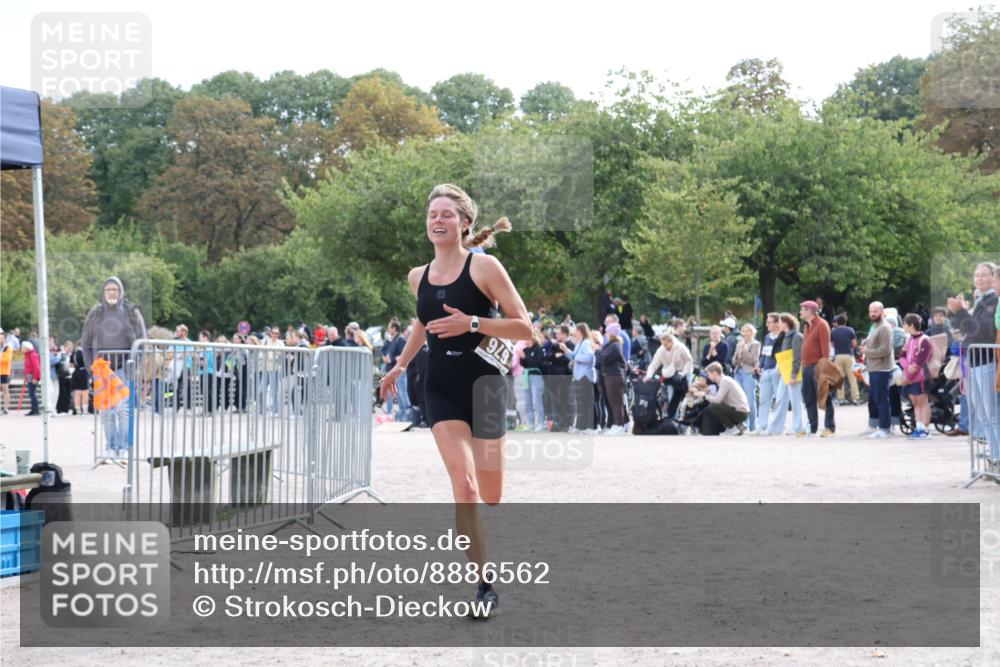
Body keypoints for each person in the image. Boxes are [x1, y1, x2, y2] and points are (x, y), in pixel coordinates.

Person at [378, 183, 531, 616]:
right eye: (432, 214)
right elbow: (424, 322)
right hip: (441, 385)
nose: (438, 220)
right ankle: (485, 585)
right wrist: (402, 364)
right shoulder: (417, 276)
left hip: (485, 387)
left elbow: (525, 328)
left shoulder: (485, 268)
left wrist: (475, 322)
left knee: (492, 494)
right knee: (463, 488)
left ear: (465, 223)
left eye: (447, 214)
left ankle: (491, 478)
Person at [79, 276, 148, 454]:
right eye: (108, 289)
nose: (111, 292)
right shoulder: (95, 313)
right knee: (107, 411)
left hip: (125, 367)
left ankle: (124, 447)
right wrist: (90, 367)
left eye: (115, 289)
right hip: (102, 368)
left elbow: (142, 339)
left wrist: (136, 365)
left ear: (121, 292)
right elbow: (85, 341)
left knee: (124, 410)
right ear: (103, 292)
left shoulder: (131, 311)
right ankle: (111, 446)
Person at [946, 262, 998, 454]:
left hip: (986, 360)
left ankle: (997, 453)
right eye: (976, 275)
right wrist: (959, 313)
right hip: (974, 361)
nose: (979, 278)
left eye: (984, 275)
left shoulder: (993, 300)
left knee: (991, 412)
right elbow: (969, 330)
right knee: (981, 412)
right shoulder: (980, 301)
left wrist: (960, 312)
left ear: (993, 278)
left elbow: (983, 331)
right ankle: (993, 450)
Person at [799, 300, 835, 437]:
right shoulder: (807, 326)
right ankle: (812, 427)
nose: (800, 312)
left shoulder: (822, 325)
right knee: (808, 398)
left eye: (802, 310)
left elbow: (826, 350)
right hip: (806, 366)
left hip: (817, 365)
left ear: (809, 311)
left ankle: (829, 427)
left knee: (824, 396)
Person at [766, 313, 805, 436]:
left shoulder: (796, 336)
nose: (779, 324)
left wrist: (793, 375)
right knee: (780, 398)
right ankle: (776, 428)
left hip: (794, 372)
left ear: (786, 323)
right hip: (785, 372)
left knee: (796, 400)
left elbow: (797, 357)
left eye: (781, 322)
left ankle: (798, 427)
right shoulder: (785, 336)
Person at [861, 301, 895, 439]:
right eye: (870, 311)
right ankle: (880, 426)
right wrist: (867, 342)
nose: (872, 314)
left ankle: (884, 428)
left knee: (882, 399)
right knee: (876, 398)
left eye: (875, 311)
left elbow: (885, 350)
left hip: (882, 368)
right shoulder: (875, 326)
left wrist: (867, 351)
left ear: (882, 312)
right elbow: (877, 343)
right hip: (874, 368)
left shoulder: (885, 327)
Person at [645, 332, 693, 421]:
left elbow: (689, 361)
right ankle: (673, 421)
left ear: (671, 342)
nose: (663, 346)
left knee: (686, 399)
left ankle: (685, 418)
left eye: (665, 344)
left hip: (684, 372)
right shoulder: (661, 349)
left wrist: (683, 373)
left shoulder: (681, 347)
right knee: (672, 398)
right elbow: (654, 364)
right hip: (670, 375)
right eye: (662, 344)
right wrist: (648, 375)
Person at [899, 313, 933, 439]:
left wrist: (908, 374)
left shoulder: (925, 340)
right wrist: (907, 367)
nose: (903, 326)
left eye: (904, 323)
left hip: (921, 377)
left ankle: (926, 429)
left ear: (911, 325)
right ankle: (918, 427)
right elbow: (902, 356)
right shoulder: (909, 339)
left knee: (923, 401)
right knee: (915, 402)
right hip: (909, 375)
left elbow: (919, 362)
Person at [695, 361, 750, 435]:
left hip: (741, 412)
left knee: (713, 406)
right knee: (716, 405)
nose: (708, 377)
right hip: (740, 411)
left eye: (709, 374)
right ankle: (739, 426)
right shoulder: (724, 380)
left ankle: (731, 428)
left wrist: (704, 396)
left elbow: (717, 400)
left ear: (714, 373)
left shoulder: (725, 381)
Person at [565, 323, 597, 434]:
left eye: (576, 331)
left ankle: (590, 426)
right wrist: (566, 351)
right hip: (578, 376)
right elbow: (574, 356)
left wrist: (576, 358)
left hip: (585, 376)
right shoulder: (579, 343)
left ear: (581, 331)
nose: (574, 333)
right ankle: (580, 426)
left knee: (587, 402)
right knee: (580, 403)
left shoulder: (586, 343)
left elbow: (590, 358)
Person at [754, 313, 782, 435]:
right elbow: (764, 354)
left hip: (777, 371)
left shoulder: (782, 336)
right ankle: (762, 425)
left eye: (770, 322)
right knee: (764, 399)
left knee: (779, 399)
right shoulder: (767, 337)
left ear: (777, 323)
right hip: (766, 371)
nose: (767, 324)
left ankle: (779, 425)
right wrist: (760, 366)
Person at [600, 323, 628, 435]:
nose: (605, 334)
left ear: (612, 334)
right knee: (614, 402)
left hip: (614, 376)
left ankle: (619, 425)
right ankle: (617, 424)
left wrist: (598, 352)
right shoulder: (612, 345)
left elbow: (604, 359)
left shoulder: (614, 345)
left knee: (616, 402)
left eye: (607, 332)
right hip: (612, 376)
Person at [731, 323, 761, 432]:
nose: (745, 333)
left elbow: (752, 360)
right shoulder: (739, 344)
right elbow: (733, 361)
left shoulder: (755, 344)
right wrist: (737, 357)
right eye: (743, 331)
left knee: (750, 400)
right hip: (738, 372)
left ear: (752, 332)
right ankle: (742, 424)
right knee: (739, 399)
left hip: (749, 372)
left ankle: (752, 426)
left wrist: (744, 351)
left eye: (747, 331)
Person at [519, 332, 547, 431]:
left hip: (536, 375)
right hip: (526, 375)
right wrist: (522, 358)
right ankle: (530, 423)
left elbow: (538, 362)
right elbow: (523, 364)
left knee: (537, 400)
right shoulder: (525, 350)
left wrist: (525, 358)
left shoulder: (538, 349)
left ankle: (540, 423)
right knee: (527, 401)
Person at [831, 314, 859, 405]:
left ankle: (841, 399)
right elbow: (854, 344)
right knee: (852, 378)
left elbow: (832, 345)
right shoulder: (850, 330)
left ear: (837, 323)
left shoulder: (833, 332)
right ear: (845, 322)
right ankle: (855, 398)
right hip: (848, 355)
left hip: (838, 356)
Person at [69, 339, 89, 415]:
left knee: (77, 393)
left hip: (75, 373)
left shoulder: (73, 353)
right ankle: (85, 411)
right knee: (85, 393)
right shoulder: (84, 353)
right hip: (83, 372)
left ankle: (78, 411)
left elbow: (71, 365)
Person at [22, 341, 41, 415]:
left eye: (22, 347)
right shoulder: (28, 355)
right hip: (29, 376)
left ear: (27, 348)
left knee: (32, 393)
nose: (21, 349)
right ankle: (33, 409)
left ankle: (35, 409)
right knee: (31, 393)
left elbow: (36, 367)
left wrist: (35, 378)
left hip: (33, 376)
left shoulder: (33, 355)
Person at [0, 329, 14, 415]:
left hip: (4, 372)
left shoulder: (8, 348)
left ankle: (6, 408)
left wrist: (1, 358)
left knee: (5, 389)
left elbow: (6, 360)